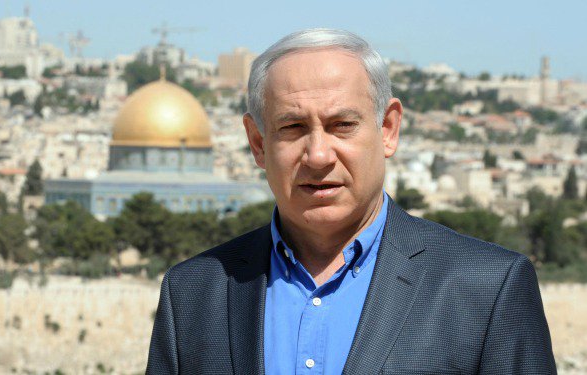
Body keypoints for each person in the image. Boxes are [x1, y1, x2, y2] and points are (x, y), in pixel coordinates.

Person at [146, 28, 556, 374]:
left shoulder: (486, 288)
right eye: (292, 127)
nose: (319, 155)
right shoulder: (193, 293)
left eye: (342, 125)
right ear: (257, 143)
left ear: (388, 129)